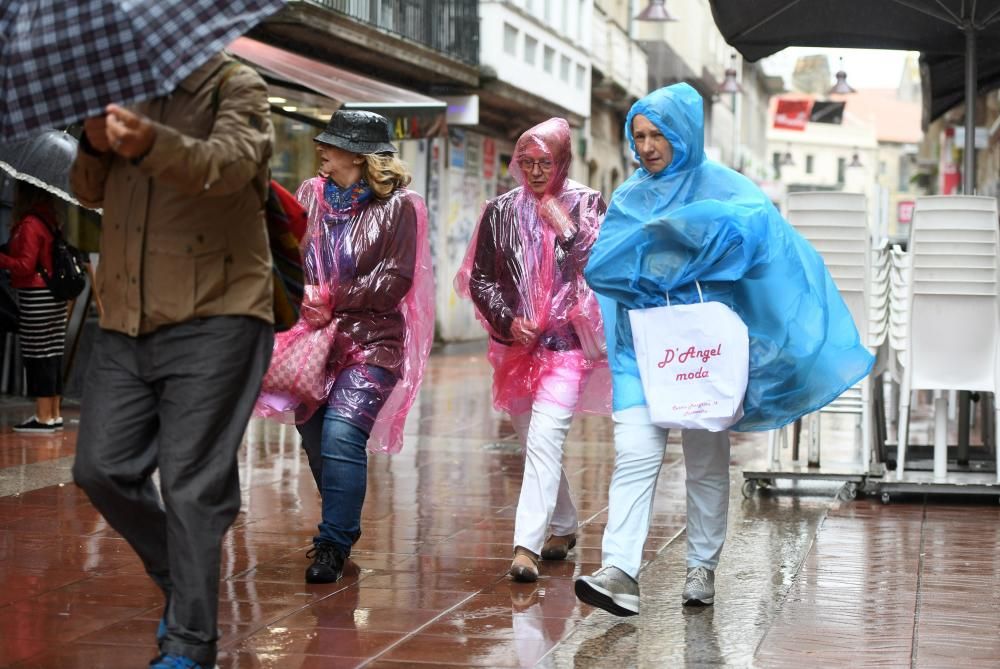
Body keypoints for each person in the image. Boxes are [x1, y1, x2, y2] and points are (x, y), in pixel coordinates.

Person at [576, 83, 873, 614]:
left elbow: (761, 242)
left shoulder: (730, 189)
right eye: (638, 135)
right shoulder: (627, 198)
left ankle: (701, 566)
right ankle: (619, 570)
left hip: (700, 352)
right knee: (635, 457)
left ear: (684, 133)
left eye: (657, 134)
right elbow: (603, 266)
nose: (645, 147)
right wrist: (670, 244)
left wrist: (679, 235)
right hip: (638, 351)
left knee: (705, 462)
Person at [69, 52, 275, 669]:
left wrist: (151, 139)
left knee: (191, 484)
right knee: (99, 467)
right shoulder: (114, 93)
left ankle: (189, 643)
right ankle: (184, 584)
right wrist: (94, 142)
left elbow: (231, 167)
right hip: (128, 318)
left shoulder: (234, 85)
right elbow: (86, 191)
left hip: (220, 312)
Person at [455, 117, 610, 583]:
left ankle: (526, 547)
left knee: (545, 439)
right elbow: (480, 277)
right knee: (532, 442)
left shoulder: (585, 205)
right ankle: (563, 525)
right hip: (516, 348)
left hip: (565, 347)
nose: (537, 171)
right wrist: (507, 320)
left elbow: (599, 268)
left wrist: (566, 229)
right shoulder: (500, 210)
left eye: (546, 162)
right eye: (527, 162)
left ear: (563, 161)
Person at [283, 110, 434, 585]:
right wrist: (297, 298)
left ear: (357, 153)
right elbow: (290, 253)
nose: (321, 149)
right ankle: (340, 520)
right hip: (313, 343)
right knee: (314, 439)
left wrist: (332, 297)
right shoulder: (310, 195)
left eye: (331, 143)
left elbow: (395, 280)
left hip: (373, 344)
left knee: (342, 435)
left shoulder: (400, 207)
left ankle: (333, 542)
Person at [0, 182, 67, 433]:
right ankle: (53, 414)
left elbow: (26, 265)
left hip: (36, 294)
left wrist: (2, 259)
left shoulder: (30, 223)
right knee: (52, 353)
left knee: (37, 354)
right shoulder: (50, 219)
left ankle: (42, 416)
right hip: (53, 296)